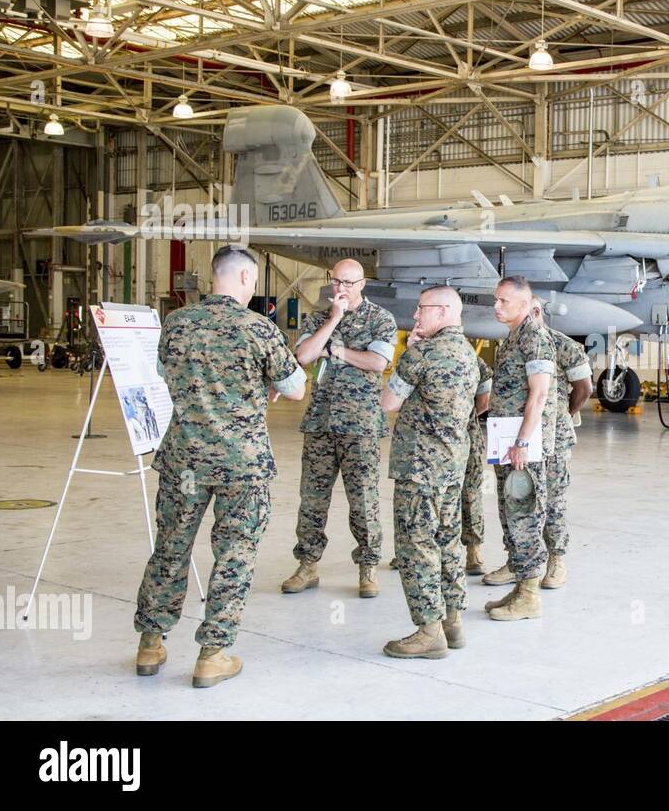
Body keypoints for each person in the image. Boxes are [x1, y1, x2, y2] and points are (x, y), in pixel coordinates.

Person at [134, 245, 306, 688]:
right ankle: (212, 655)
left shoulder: (176, 323)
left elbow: (161, 371)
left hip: (184, 459)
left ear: (214, 278)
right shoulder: (258, 329)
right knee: (234, 555)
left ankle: (150, 644)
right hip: (241, 465)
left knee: (171, 548)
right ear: (247, 279)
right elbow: (295, 388)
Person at [282, 259, 397, 598]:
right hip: (320, 421)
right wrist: (333, 321)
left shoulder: (380, 319)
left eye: (349, 282)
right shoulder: (318, 317)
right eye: (336, 282)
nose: (341, 288)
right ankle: (307, 564)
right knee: (312, 499)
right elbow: (303, 356)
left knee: (363, 499)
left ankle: (368, 565)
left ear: (362, 284)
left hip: (360, 425)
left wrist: (339, 352)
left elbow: (378, 362)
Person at [380, 287, 479, 658]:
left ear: (442, 311)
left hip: (419, 468)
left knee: (416, 546)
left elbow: (389, 401)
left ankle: (428, 630)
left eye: (422, 309)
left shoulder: (421, 353)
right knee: (447, 542)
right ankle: (452, 621)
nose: (416, 316)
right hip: (452, 466)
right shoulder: (469, 354)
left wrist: (408, 353)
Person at [481, 276, 557, 621]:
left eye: (503, 302)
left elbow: (539, 394)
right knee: (510, 512)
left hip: (521, 445)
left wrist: (523, 442)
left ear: (524, 306)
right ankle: (520, 586)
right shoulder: (512, 337)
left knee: (525, 514)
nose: (496, 306)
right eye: (496, 300)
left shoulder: (534, 338)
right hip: (507, 440)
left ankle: (529, 596)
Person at [531, 297, 592, 588]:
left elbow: (584, 388)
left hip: (554, 439)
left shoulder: (563, 344)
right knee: (519, 499)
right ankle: (520, 561)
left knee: (553, 500)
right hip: (523, 437)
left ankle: (556, 561)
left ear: (536, 311)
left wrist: (564, 415)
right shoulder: (512, 344)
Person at [461, 356, 493, 574]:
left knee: (470, 493)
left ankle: (474, 549)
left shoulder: (474, 361)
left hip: (466, 434)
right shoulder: (416, 355)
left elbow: (484, 401)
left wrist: (463, 417)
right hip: (427, 438)